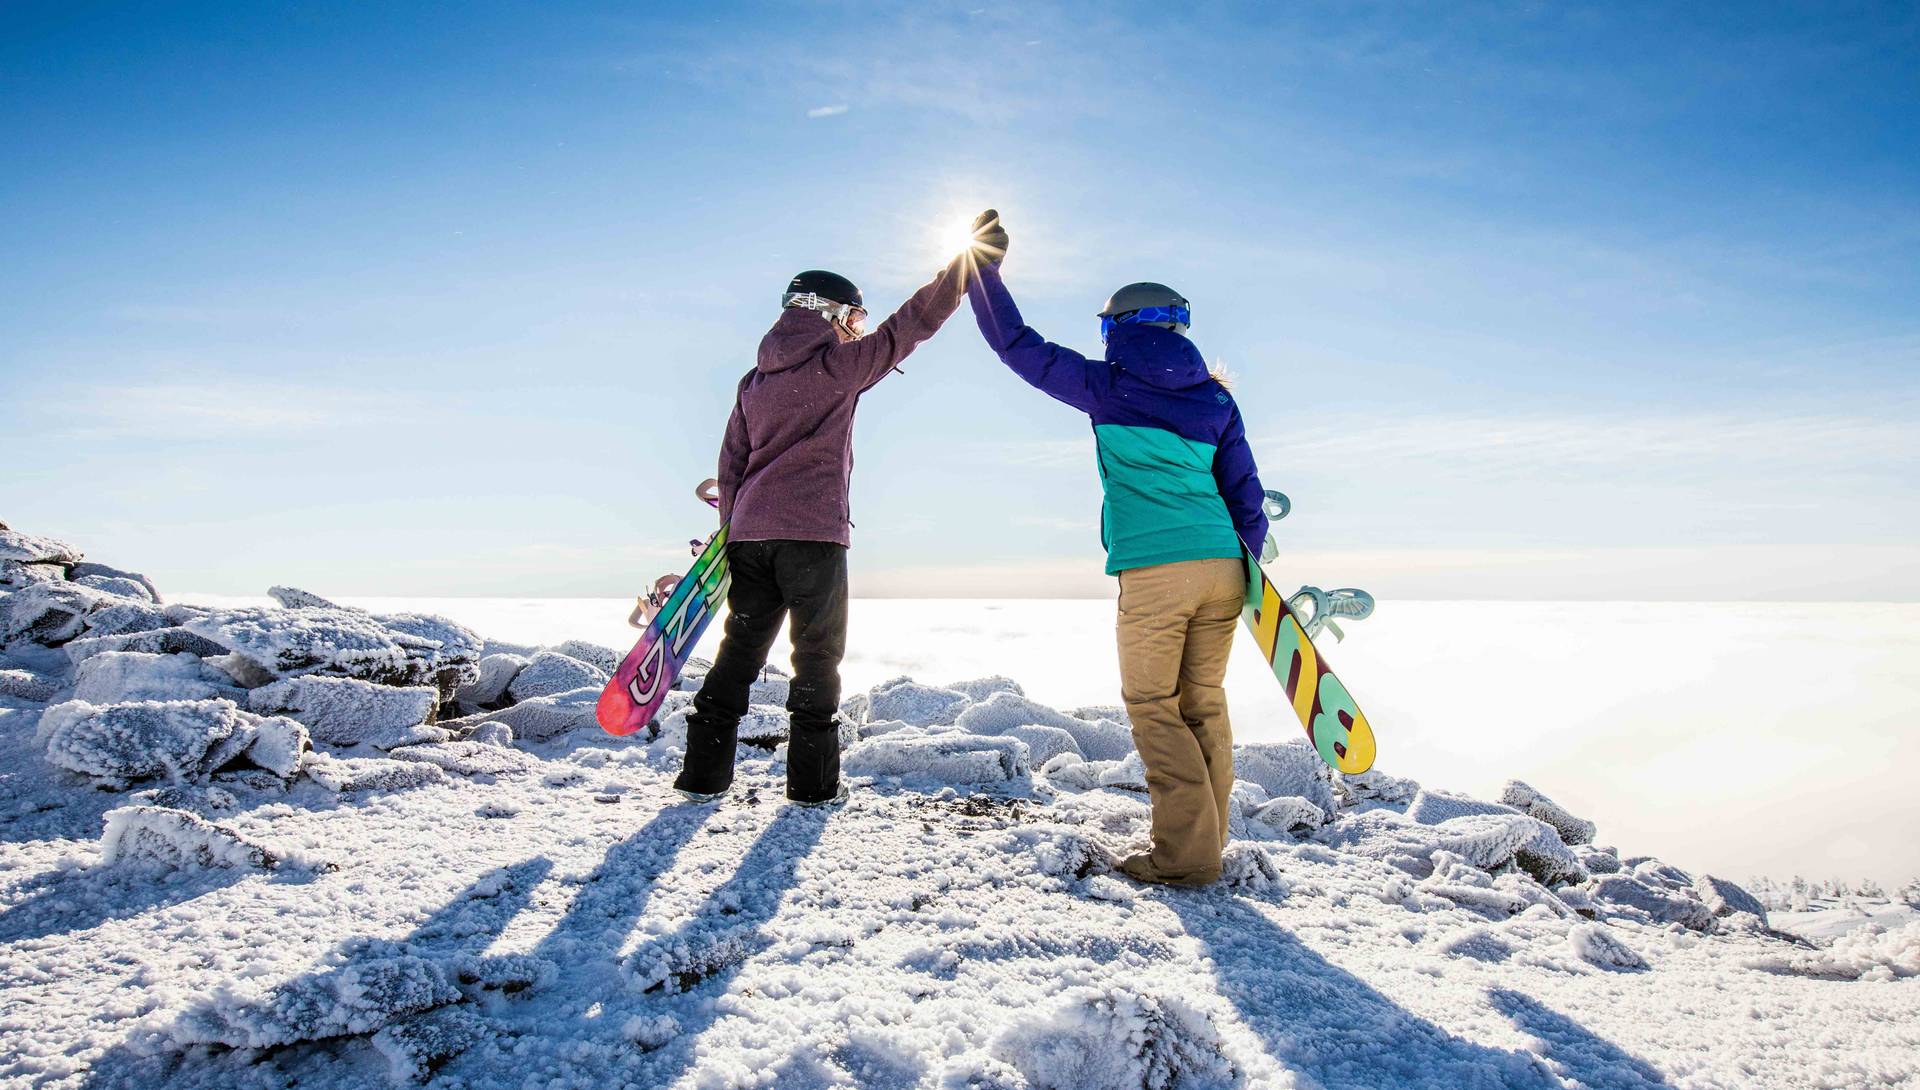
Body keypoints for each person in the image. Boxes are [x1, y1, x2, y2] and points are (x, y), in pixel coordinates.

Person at [964, 210, 1268, 885]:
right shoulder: (1216, 400)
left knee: (1155, 707)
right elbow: (1245, 492)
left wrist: (983, 272)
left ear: (1116, 330)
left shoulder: (1106, 385)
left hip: (1157, 570)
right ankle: (1207, 842)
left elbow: (1016, 345)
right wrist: (1244, 566)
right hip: (1224, 566)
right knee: (1203, 701)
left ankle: (1185, 860)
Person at [674, 229, 989, 807]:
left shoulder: (754, 381)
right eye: (855, 317)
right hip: (813, 538)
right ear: (831, 313)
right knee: (817, 657)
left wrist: (730, 533)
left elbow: (731, 462)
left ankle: (702, 778)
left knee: (738, 653)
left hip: (749, 538)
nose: (858, 329)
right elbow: (911, 325)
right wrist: (964, 267)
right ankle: (812, 788)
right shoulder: (838, 368)